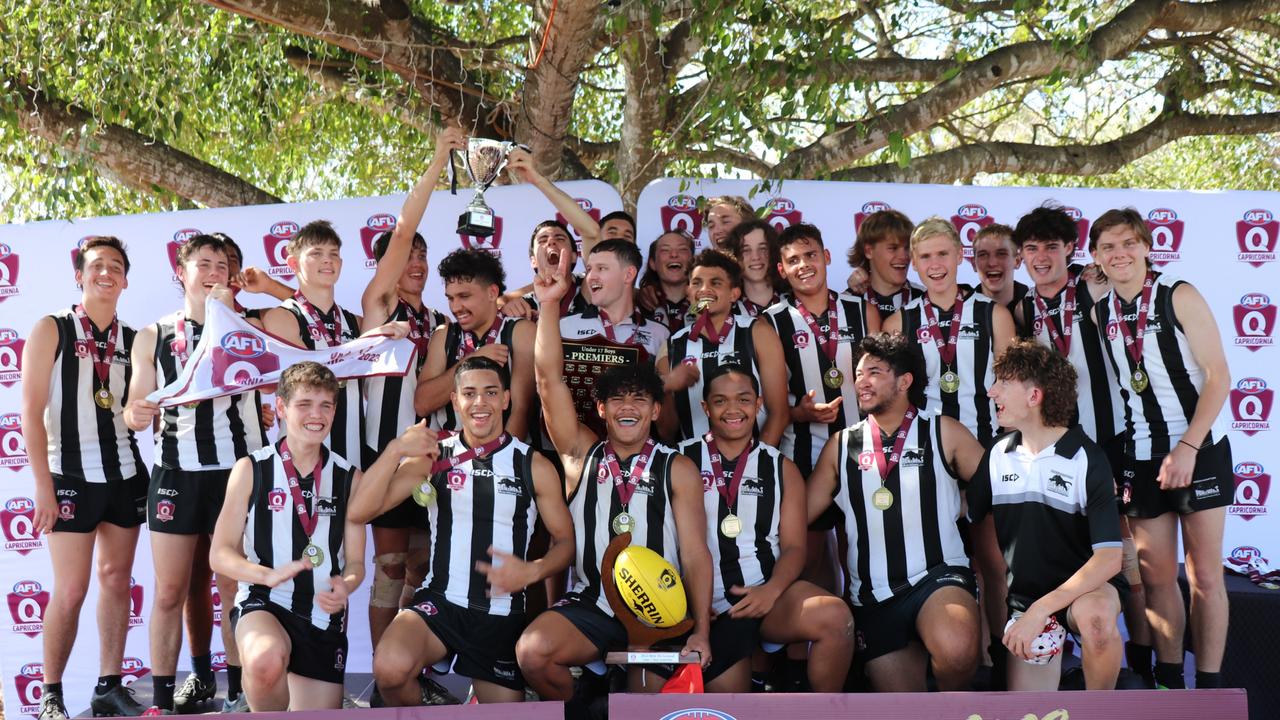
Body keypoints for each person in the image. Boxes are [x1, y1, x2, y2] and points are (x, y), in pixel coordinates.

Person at [515, 255, 712, 703]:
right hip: (594, 603)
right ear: (600, 409)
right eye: (617, 399)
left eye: (640, 399)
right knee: (533, 653)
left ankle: (617, 692)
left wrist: (700, 631)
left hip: (658, 609)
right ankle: (588, 701)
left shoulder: (676, 466)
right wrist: (549, 305)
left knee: (642, 707)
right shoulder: (581, 454)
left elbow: (697, 555)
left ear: (656, 409)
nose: (628, 407)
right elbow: (548, 381)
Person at [352, 356, 575, 704]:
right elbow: (361, 510)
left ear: (506, 399)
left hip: (500, 615)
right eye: (469, 394)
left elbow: (565, 543)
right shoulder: (433, 454)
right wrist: (396, 449)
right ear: (455, 401)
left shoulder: (533, 464)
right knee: (389, 669)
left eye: (490, 392)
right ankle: (433, 704)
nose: (479, 403)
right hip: (440, 604)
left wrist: (533, 570)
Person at [1090, 208, 1233, 690]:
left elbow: (1219, 377)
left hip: (1201, 446)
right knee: (1154, 578)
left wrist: (1189, 446)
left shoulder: (1179, 294)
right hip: (1143, 453)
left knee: (1205, 577)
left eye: (1128, 243)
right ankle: (1170, 682)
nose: (1119, 254)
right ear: (1095, 256)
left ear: (1148, 246)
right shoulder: (1100, 310)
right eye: (1107, 246)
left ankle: (1210, 688)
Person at [124, 235, 267, 714]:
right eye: (201, 263)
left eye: (221, 265)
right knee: (170, 589)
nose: (212, 271)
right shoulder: (154, 334)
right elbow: (135, 404)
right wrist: (135, 414)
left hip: (236, 471)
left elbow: (304, 337)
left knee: (232, 586)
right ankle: (163, 701)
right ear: (181, 273)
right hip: (175, 471)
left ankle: (242, 694)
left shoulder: (252, 326)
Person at [807, 333, 986, 692]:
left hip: (937, 576)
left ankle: (956, 708)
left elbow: (1000, 492)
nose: (861, 381)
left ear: (905, 381)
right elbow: (797, 519)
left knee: (957, 652)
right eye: (858, 373)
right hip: (873, 596)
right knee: (904, 709)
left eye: (874, 371)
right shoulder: (841, 445)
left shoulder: (943, 431)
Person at [669, 365, 854, 693]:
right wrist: (687, 600)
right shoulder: (678, 460)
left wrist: (771, 591)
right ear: (705, 408)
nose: (733, 410)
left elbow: (795, 547)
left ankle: (825, 712)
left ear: (758, 404)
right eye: (721, 401)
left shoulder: (781, 466)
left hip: (764, 595)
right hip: (696, 605)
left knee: (837, 618)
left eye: (743, 400)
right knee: (729, 700)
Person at [23, 237, 148, 720]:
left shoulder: (136, 340)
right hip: (68, 474)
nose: (106, 272)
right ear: (80, 275)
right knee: (71, 590)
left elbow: (140, 411)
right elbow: (29, 414)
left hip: (124, 473)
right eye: (96, 265)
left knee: (117, 580)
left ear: (125, 279)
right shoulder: (51, 327)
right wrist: (42, 486)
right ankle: (50, 696)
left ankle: (108, 687)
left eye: (115, 266)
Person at [210, 363, 368, 711]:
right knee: (265, 661)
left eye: (326, 405)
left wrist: (347, 585)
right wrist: (266, 575)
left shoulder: (349, 477)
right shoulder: (251, 468)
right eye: (304, 404)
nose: (316, 415)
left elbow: (356, 561)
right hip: (264, 600)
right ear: (281, 408)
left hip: (321, 615)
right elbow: (219, 554)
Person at [970, 340, 1125, 690]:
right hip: (1026, 603)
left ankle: (1098, 716)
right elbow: (966, 523)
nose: (992, 391)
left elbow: (1110, 558)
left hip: (1085, 592)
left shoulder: (1088, 458)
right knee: (1031, 715)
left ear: (1034, 396)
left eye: (1003, 383)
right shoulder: (996, 454)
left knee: (1097, 620)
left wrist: (1042, 609)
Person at [358, 130, 458, 670]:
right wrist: (442, 156)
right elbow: (402, 229)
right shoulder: (376, 305)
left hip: (435, 454)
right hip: (386, 451)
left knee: (422, 565)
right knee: (391, 565)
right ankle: (381, 670)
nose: (415, 262)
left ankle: (409, 670)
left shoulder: (440, 321)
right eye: (406, 256)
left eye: (422, 255)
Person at [884, 217, 1015, 446]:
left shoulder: (995, 315)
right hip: (925, 449)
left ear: (959, 256)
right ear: (914, 262)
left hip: (984, 443)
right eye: (925, 256)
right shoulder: (897, 324)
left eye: (943, 254)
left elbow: (1013, 389)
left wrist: (1012, 450)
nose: (935, 264)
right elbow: (894, 398)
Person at [658, 250, 788, 445]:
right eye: (696, 283)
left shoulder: (758, 332)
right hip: (692, 469)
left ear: (734, 293)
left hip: (751, 467)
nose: (704, 289)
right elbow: (666, 432)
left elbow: (779, 414)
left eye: (716, 283)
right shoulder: (671, 346)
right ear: (688, 292)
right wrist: (666, 388)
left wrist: (758, 462)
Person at [416, 248, 534, 440]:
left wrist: (497, 460)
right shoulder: (444, 334)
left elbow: (521, 410)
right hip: (449, 457)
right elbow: (422, 404)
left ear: (492, 293)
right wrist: (472, 359)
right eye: (450, 298)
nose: (456, 307)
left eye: (464, 296)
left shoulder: (521, 331)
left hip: (503, 453)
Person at [497, 150, 603, 319]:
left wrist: (537, 180)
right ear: (533, 260)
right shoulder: (523, 305)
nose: (551, 243)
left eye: (560, 238)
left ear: (575, 256)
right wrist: (506, 308)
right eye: (543, 240)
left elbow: (592, 233)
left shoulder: (590, 288)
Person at [560, 238, 670, 360]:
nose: (590, 277)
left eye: (601, 268)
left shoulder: (660, 334)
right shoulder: (564, 327)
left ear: (628, 275)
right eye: (589, 269)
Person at [844, 209, 924, 322]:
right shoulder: (846, 302)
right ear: (869, 251)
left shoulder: (924, 297)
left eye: (907, 248)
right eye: (893, 248)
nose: (904, 256)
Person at [721, 220, 787, 318]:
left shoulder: (794, 301)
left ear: (774, 252)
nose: (755, 257)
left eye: (763, 248)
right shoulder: (726, 311)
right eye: (746, 250)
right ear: (734, 256)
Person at [638, 231, 694, 333]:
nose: (674, 254)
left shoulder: (705, 303)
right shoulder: (638, 304)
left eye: (682, 249)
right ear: (653, 263)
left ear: (693, 260)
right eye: (665, 250)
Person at [971, 224, 1029, 318]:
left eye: (1001, 254)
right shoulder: (962, 311)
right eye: (983, 255)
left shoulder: (1037, 307)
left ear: (1017, 261)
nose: (992, 263)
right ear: (974, 264)